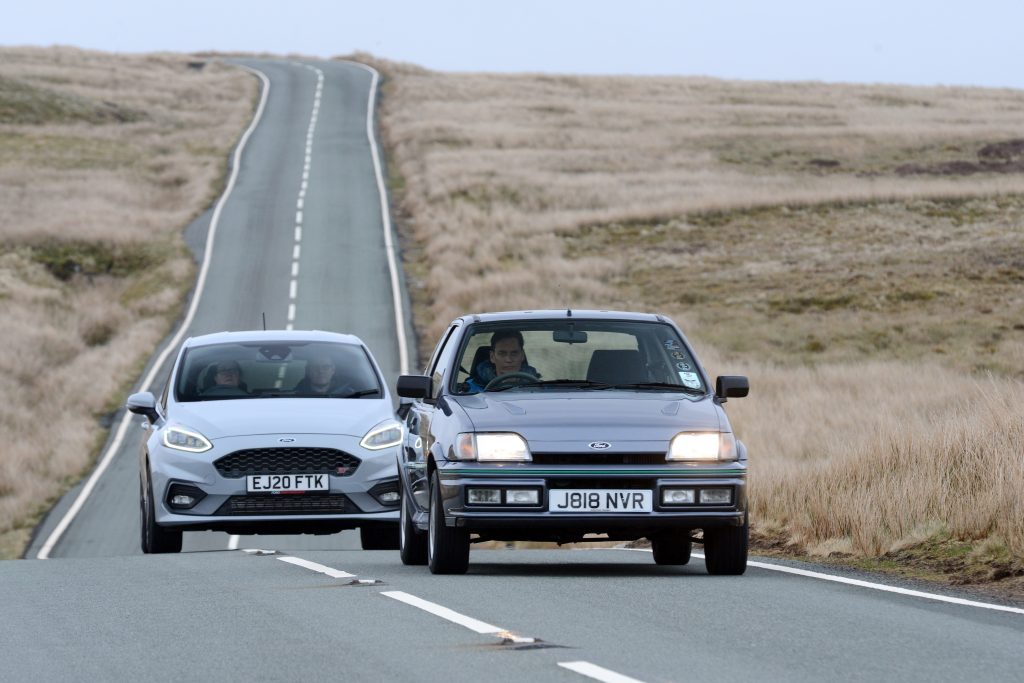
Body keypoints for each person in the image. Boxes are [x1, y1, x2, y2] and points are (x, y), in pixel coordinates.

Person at [465, 330, 540, 393]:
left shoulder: (541, 388)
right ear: (492, 357)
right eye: (502, 353)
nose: (508, 360)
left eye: (514, 353)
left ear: (522, 356)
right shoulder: (469, 390)